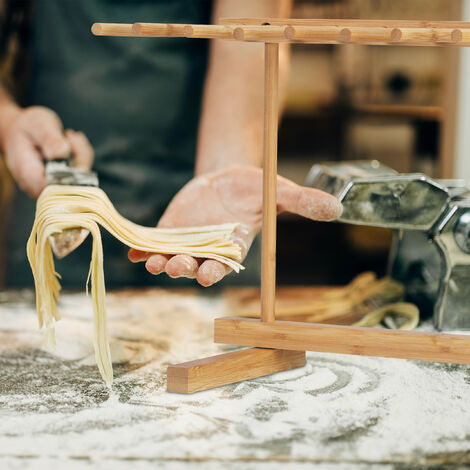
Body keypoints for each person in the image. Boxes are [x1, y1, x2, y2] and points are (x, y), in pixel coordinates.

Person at [0, 0, 342, 288]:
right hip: (59, 196)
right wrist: (9, 124)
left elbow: (249, 36)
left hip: (204, 199)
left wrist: (225, 171)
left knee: (213, 346)